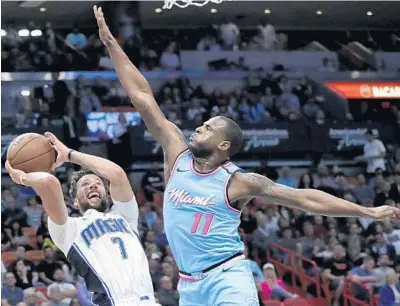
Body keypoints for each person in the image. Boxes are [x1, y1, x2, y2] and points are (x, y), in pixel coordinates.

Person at [94, 6, 400, 305]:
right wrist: (111, 45)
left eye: (209, 127)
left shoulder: (240, 181)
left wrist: (368, 212)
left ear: (224, 145)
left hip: (227, 277)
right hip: (188, 284)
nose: (200, 127)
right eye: (203, 124)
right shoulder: (177, 154)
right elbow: (142, 96)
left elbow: (306, 199)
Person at [5, 132, 159, 306]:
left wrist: (70, 154)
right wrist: (23, 178)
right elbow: (49, 182)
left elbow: (116, 174)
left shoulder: (125, 216)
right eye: (85, 184)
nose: (93, 184)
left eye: (98, 183)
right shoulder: (69, 229)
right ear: (76, 202)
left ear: (107, 195)